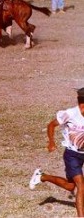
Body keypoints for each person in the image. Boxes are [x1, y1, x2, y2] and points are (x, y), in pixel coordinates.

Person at [29, 88, 84, 217]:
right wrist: (51, 142)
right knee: (81, 185)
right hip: (72, 155)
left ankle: (42, 176)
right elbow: (51, 125)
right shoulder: (70, 114)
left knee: (71, 187)